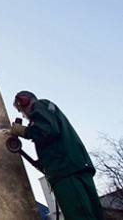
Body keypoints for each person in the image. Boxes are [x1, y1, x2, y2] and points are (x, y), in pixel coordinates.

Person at [11, 91, 105, 219]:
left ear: (23, 101)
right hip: (75, 167)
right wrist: (43, 163)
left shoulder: (40, 105)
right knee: (93, 214)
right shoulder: (49, 111)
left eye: (21, 111)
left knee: (79, 215)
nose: (24, 115)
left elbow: (46, 131)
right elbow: (52, 139)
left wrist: (23, 131)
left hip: (65, 171)